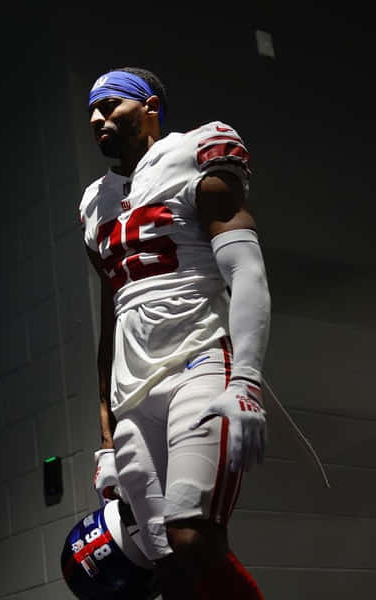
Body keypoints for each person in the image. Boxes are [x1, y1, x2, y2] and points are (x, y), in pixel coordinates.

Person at [81, 67, 269, 599]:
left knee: (192, 537)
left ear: (150, 107)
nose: (97, 118)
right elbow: (110, 314)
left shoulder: (196, 151)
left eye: (110, 104)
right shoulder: (94, 202)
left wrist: (248, 379)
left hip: (199, 358)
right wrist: (104, 436)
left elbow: (245, 269)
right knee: (165, 561)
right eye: (91, 110)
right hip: (131, 387)